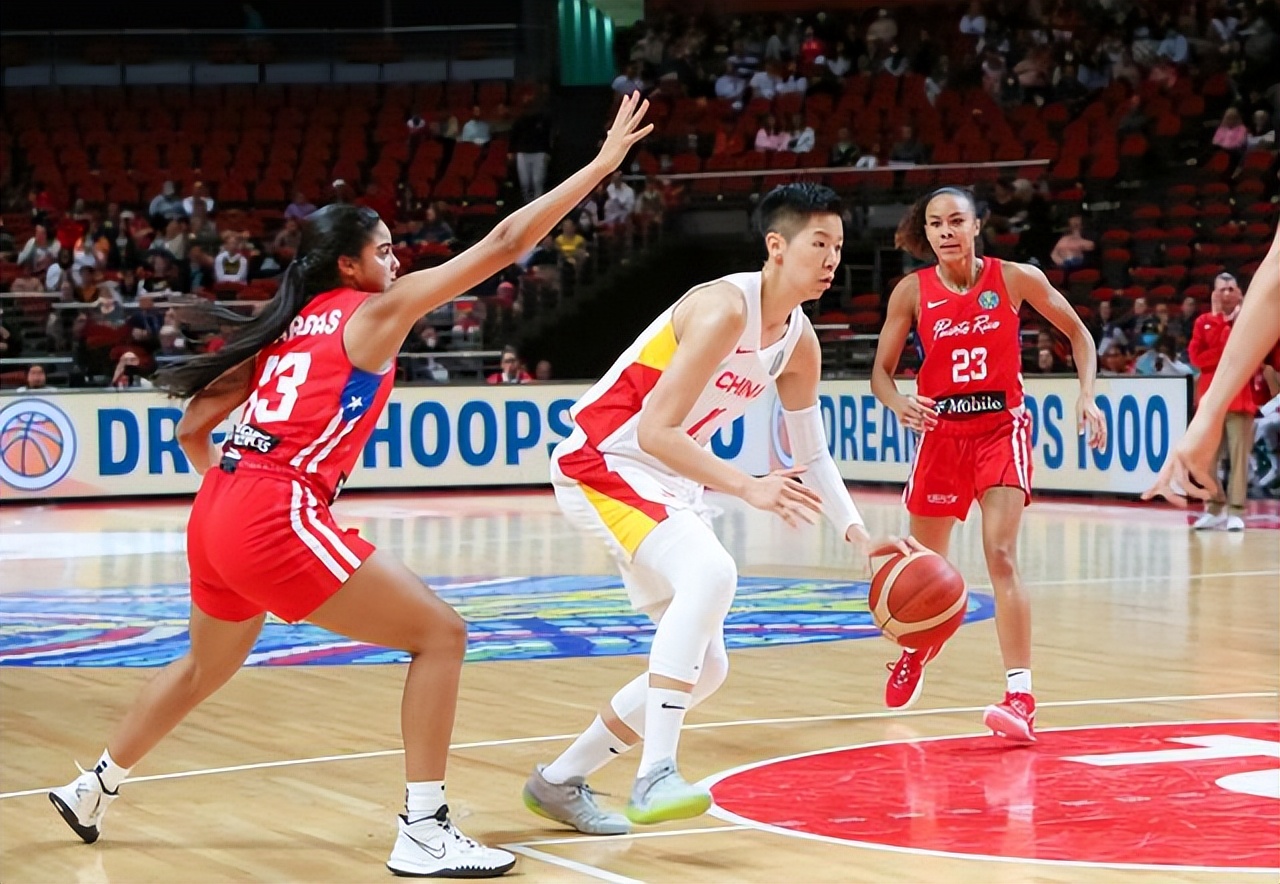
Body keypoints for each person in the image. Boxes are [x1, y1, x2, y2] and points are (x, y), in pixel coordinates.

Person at [46, 93, 653, 879]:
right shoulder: (373, 313)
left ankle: (93, 785)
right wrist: (601, 166)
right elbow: (505, 242)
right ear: (350, 264)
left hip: (220, 506)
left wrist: (236, 506)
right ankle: (425, 828)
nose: (397, 262)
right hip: (270, 508)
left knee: (203, 666)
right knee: (442, 635)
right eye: (387, 250)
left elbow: (194, 427)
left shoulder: (287, 327)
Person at [521, 183, 914, 836]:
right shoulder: (722, 308)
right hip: (605, 459)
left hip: (665, 477)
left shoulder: (799, 340)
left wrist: (858, 532)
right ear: (776, 246)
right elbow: (654, 431)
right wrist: (749, 486)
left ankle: (560, 780)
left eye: (839, 248)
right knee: (713, 575)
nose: (832, 260)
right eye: (819, 244)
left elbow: (811, 454)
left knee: (704, 669)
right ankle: (655, 775)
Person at [870, 186, 1106, 742]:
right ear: (925, 233)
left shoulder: (1016, 278)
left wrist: (1088, 394)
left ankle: (1020, 696)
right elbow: (882, 371)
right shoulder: (911, 292)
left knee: (1000, 554)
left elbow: (1079, 333)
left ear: (977, 227)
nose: (946, 231)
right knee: (927, 569)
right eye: (935, 224)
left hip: (1002, 428)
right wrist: (899, 401)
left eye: (956, 221)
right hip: (940, 435)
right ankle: (917, 646)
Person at [1145, 225, 1280, 507]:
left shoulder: (1245, 321)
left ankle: (1236, 511)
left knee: (1239, 458)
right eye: (1223, 289)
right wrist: (1209, 408)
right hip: (1217, 393)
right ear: (1214, 294)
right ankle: (1213, 508)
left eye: (1232, 289)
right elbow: (1199, 358)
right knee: (1210, 462)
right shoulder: (1205, 322)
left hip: (1241, 399)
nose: (1228, 294)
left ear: (1241, 292)